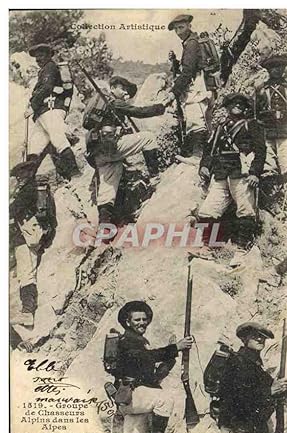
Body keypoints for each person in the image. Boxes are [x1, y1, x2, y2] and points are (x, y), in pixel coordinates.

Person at [85, 76, 173, 225]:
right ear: (112, 88)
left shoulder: (98, 104)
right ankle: (154, 177)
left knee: (107, 192)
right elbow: (139, 112)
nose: (125, 92)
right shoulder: (114, 102)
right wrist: (161, 106)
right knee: (148, 138)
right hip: (110, 148)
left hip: (97, 154)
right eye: (122, 88)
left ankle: (104, 229)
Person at [197, 93, 266, 267]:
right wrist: (204, 166)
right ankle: (209, 247)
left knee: (246, 210)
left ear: (245, 108)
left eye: (241, 104)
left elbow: (260, 150)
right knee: (207, 211)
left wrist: (255, 173)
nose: (237, 106)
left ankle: (241, 250)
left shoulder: (252, 125)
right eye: (234, 103)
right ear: (227, 107)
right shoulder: (220, 127)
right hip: (221, 173)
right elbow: (210, 149)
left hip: (241, 173)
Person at [113, 301, 193, 433]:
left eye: (144, 319)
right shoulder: (127, 342)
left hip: (137, 398)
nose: (142, 323)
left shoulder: (138, 341)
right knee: (165, 399)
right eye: (137, 320)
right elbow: (146, 357)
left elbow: (151, 374)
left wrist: (171, 356)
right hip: (131, 395)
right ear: (128, 322)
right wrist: (175, 347)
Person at [218, 322, 287, 433]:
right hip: (238, 430)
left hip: (253, 427)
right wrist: (270, 391)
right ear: (244, 338)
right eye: (254, 336)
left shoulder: (255, 364)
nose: (260, 339)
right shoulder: (236, 362)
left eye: (262, 336)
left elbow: (271, 385)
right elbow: (237, 398)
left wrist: (281, 387)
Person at [9, 157, 57, 327]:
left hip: (27, 237)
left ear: (27, 173)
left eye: (20, 173)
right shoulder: (35, 189)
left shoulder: (28, 190)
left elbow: (11, 211)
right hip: (28, 235)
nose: (18, 177)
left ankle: (28, 312)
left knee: (26, 274)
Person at [25, 43, 80, 181]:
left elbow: (47, 88)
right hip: (44, 112)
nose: (39, 59)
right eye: (37, 57)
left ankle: (75, 173)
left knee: (58, 139)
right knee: (35, 145)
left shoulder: (49, 67)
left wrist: (32, 106)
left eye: (42, 55)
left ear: (49, 55)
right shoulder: (46, 69)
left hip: (50, 109)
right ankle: (26, 179)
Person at [168, 14, 219, 156]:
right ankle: (207, 157)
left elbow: (188, 72)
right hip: (206, 86)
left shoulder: (191, 43)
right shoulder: (192, 42)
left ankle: (198, 157)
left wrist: (174, 91)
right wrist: (176, 63)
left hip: (198, 87)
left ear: (189, 26)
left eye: (181, 27)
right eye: (176, 29)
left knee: (196, 121)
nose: (179, 32)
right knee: (206, 122)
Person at [256, 54, 287, 178]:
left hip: (286, 130)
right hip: (267, 129)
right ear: (269, 70)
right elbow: (257, 112)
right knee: (268, 164)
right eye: (273, 67)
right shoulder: (262, 90)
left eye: (280, 67)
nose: (277, 70)